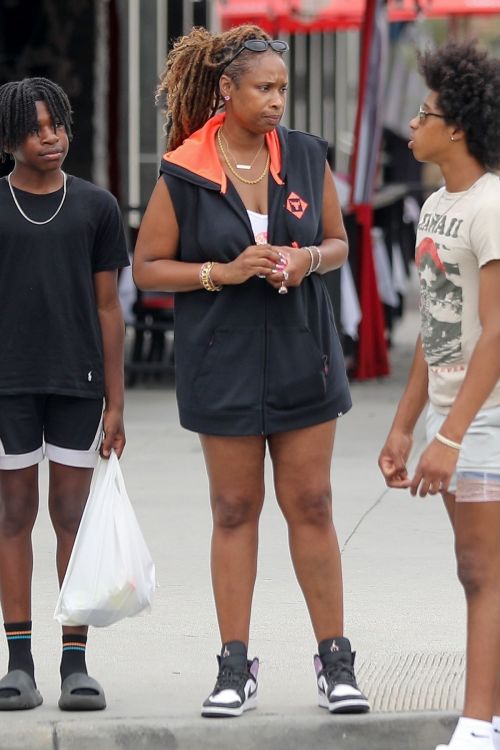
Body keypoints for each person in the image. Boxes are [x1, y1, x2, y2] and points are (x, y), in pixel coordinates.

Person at [133, 24, 369, 718]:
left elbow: (337, 243)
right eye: (263, 89)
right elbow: (148, 266)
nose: (276, 101)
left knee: (313, 504)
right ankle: (234, 668)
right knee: (234, 510)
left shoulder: (304, 155)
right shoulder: (185, 168)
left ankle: (337, 662)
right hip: (222, 363)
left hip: (303, 354)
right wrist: (221, 271)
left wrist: (307, 261)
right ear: (226, 90)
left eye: (282, 90)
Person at [378, 42, 500, 750]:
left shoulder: (490, 205)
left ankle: (478, 723)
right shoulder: (435, 207)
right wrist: (403, 428)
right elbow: (438, 329)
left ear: (455, 128)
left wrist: (450, 436)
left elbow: (495, 335)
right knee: (478, 569)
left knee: (482, 572)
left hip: (485, 421)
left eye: (423, 114)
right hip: (456, 417)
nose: (412, 127)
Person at [0, 77, 129, 711]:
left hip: (78, 387)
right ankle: (18, 664)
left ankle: (74, 663)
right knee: (14, 516)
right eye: (34, 128)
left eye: (57, 125)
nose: (49, 137)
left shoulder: (96, 207)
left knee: (71, 519)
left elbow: (110, 308)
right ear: (9, 140)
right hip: (9, 387)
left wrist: (117, 402)